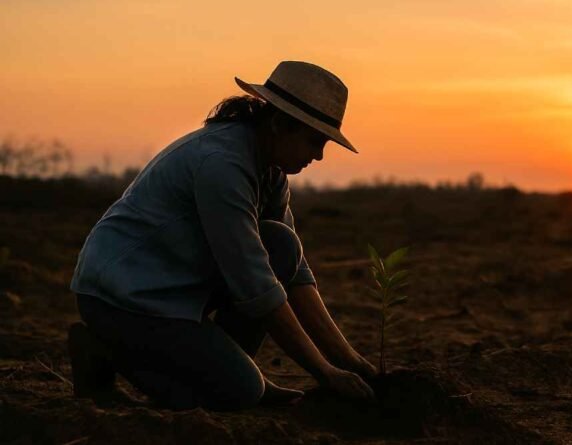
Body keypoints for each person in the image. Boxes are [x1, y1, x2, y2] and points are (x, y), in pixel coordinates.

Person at [67, 61, 377, 411]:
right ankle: (102, 350)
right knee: (239, 394)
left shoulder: (270, 170)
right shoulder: (222, 164)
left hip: (176, 291)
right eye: (314, 141)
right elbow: (255, 283)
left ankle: (228, 368)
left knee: (281, 246)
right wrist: (324, 372)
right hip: (123, 299)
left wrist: (350, 361)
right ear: (279, 124)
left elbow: (293, 271)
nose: (319, 156)